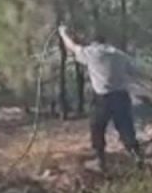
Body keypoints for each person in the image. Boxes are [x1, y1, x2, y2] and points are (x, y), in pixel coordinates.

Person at [58, 25, 142, 170]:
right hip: (122, 96)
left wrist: (63, 33)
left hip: (103, 99)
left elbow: (72, 47)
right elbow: (135, 71)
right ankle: (137, 157)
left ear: (94, 42)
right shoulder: (119, 54)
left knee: (97, 128)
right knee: (126, 128)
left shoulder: (91, 52)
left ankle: (100, 161)